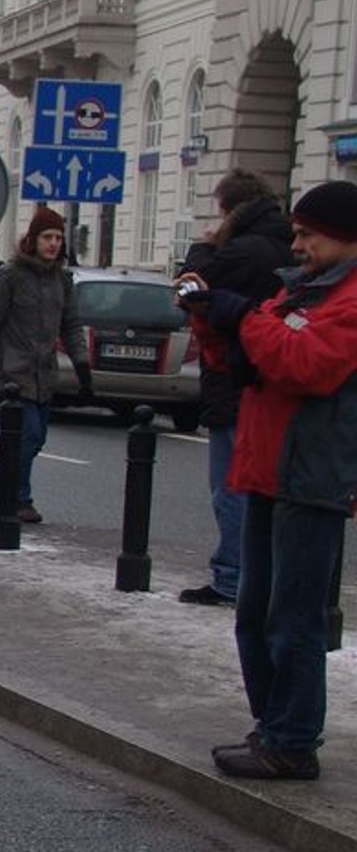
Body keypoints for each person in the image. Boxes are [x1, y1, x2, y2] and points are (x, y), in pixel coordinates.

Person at [179, 180, 357, 781]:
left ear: (344, 237)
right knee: (254, 615)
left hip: (310, 479)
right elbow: (251, 361)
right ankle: (271, 726)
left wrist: (244, 316)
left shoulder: (350, 302)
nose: (297, 242)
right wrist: (210, 322)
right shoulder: (298, 292)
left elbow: (303, 365)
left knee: (294, 617)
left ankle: (292, 739)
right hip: (265, 471)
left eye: (308, 233)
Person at [175, 169, 289, 607]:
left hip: (234, 376)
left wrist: (205, 244)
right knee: (263, 485)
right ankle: (256, 576)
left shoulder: (240, 252)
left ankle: (232, 577)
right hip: (271, 378)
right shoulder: (284, 244)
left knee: (230, 483)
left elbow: (191, 284)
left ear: (229, 210)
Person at [0, 204, 92, 524]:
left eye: (59, 238)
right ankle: (18, 496)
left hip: (43, 374)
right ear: (32, 239)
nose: (53, 244)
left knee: (37, 438)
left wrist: (82, 366)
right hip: (12, 374)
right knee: (28, 434)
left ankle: (2, 483)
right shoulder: (8, 276)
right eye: (48, 237)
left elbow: (72, 325)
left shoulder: (62, 280)